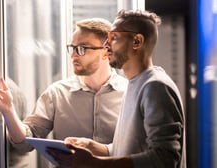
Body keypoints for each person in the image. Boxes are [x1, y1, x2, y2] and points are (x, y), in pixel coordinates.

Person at [0, 18, 128, 167]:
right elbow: (24, 144)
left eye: (82, 48)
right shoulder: (57, 93)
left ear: (106, 51)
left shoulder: (129, 93)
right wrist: (8, 110)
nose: (73, 55)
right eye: (72, 47)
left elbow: (143, 149)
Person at [48, 9, 186, 168]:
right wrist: (94, 147)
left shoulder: (155, 87)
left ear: (137, 41)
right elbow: (131, 148)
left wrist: (94, 163)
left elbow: (165, 158)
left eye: (113, 37)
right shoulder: (135, 84)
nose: (106, 45)